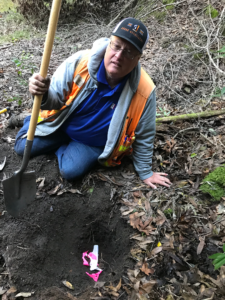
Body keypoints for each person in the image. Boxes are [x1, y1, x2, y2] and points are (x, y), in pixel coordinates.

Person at [14, 17, 171, 189]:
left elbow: (144, 135)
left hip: (91, 142)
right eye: (116, 46)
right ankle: (35, 124)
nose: (118, 56)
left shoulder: (145, 92)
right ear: (109, 42)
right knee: (21, 148)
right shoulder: (80, 62)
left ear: (138, 59)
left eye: (128, 52)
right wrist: (42, 94)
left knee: (70, 171)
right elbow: (55, 100)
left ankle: (62, 146)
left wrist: (145, 172)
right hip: (62, 123)